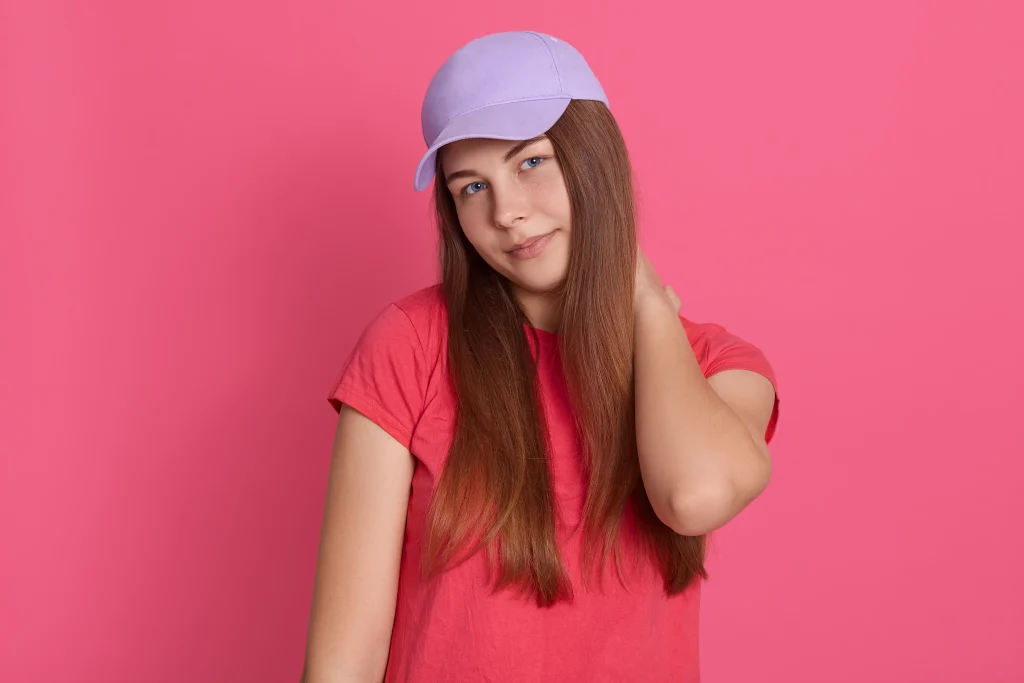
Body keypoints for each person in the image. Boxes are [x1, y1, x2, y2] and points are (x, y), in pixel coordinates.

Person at [302, 30, 780, 683]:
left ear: (595, 159)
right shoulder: (408, 346)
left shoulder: (715, 363)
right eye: (471, 187)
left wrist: (644, 302)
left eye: (531, 162)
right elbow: (342, 664)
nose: (508, 212)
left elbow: (694, 495)